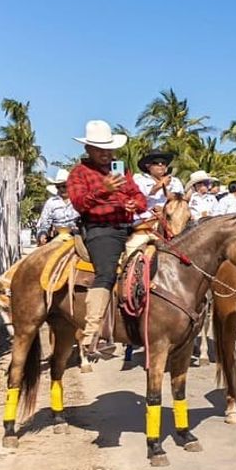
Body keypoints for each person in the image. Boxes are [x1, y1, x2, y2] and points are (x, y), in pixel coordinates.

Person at [66, 120, 147, 359]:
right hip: (101, 229)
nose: (106, 153)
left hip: (129, 226)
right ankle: (93, 335)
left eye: (109, 148)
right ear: (88, 149)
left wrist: (134, 204)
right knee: (106, 273)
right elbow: (79, 203)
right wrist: (104, 189)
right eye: (100, 149)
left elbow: (139, 197)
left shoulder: (120, 169)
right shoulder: (79, 173)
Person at [133, 150, 184, 224]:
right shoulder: (139, 180)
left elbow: (180, 201)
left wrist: (164, 210)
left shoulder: (175, 181)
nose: (160, 165)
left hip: (170, 218)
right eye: (156, 162)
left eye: (163, 163)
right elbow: (138, 200)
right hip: (145, 219)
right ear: (148, 166)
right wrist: (159, 185)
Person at [35, 168, 79, 244]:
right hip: (57, 237)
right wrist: (42, 234)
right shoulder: (51, 202)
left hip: (76, 235)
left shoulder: (78, 200)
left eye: (64, 186)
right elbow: (44, 222)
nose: (61, 189)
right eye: (58, 187)